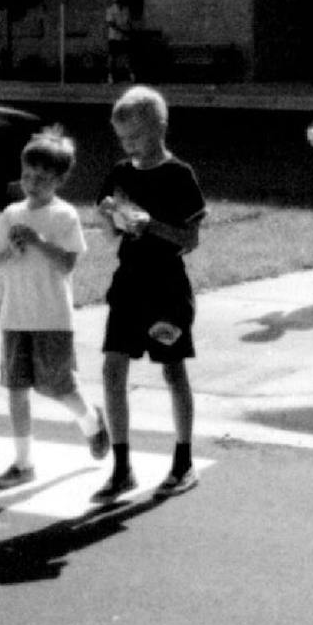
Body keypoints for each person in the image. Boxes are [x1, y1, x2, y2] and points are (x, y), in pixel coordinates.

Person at [91, 86, 206, 503]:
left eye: (136, 136)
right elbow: (106, 232)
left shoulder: (179, 175)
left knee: (172, 369)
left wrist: (150, 224)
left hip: (167, 286)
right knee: (112, 369)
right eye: (123, 139)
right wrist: (111, 217)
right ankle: (122, 467)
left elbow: (190, 238)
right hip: (129, 282)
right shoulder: (121, 172)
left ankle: (183, 460)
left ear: (159, 127)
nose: (129, 146)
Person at [0, 127, 110, 489]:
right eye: (27, 175)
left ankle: (91, 422)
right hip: (15, 316)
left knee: (57, 386)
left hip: (52, 317)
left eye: (41, 178)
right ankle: (24, 463)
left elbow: (67, 263)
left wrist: (37, 242)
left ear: (59, 179)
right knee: (17, 389)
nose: (32, 183)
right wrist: (11, 250)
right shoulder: (11, 213)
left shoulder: (64, 215)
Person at [104, 0, 134, 84]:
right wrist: (121, 30)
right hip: (114, 37)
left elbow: (129, 22)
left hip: (125, 37)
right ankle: (110, 76)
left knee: (127, 57)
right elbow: (110, 23)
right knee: (112, 57)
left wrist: (128, 31)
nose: (118, 4)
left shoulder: (126, 10)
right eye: (117, 2)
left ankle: (131, 75)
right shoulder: (110, 10)